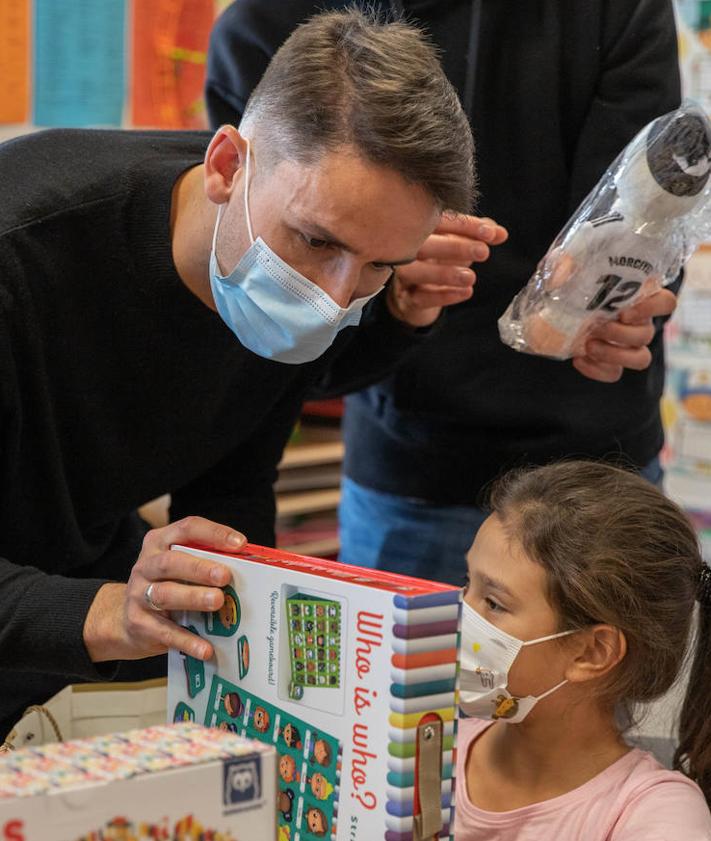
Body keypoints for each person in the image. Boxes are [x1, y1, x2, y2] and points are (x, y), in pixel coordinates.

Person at [0, 9, 483, 739]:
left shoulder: (284, 279)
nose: (332, 295)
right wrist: (106, 611)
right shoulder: (22, 253)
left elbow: (230, 487)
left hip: (58, 619)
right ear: (226, 164)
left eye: (380, 264)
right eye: (316, 241)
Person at [206, 0, 680, 584]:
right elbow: (265, 342)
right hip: (413, 473)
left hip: (597, 464)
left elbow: (644, 221)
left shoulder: (616, 11)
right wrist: (392, 301)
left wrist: (627, 304)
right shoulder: (265, 27)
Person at [457, 460, 711, 839]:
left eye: (494, 603)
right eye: (467, 583)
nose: (458, 615)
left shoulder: (657, 812)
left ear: (593, 652)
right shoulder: (430, 747)